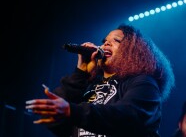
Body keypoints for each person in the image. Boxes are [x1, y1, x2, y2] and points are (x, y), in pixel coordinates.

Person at [25, 24, 175, 137]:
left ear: (134, 51)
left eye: (116, 40)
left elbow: (128, 116)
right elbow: (53, 120)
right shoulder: (89, 84)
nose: (105, 44)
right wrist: (80, 72)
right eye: (104, 41)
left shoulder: (144, 83)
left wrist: (74, 110)